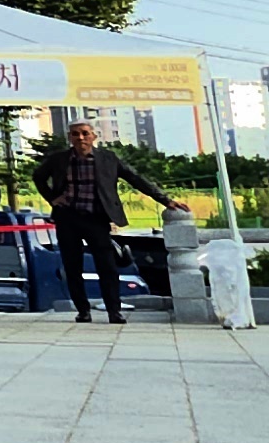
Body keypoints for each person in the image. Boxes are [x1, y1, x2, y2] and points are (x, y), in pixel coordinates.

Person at [34, 120, 173, 322]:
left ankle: (113, 311)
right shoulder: (59, 159)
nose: (80, 138)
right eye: (75, 134)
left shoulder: (108, 159)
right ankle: (83, 311)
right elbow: (38, 177)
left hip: (97, 219)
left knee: (107, 266)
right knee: (72, 267)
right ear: (70, 137)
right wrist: (52, 198)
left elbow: (135, 178)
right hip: (68, 217)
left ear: (93, 136)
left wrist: (165, 200)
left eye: (84, 133)